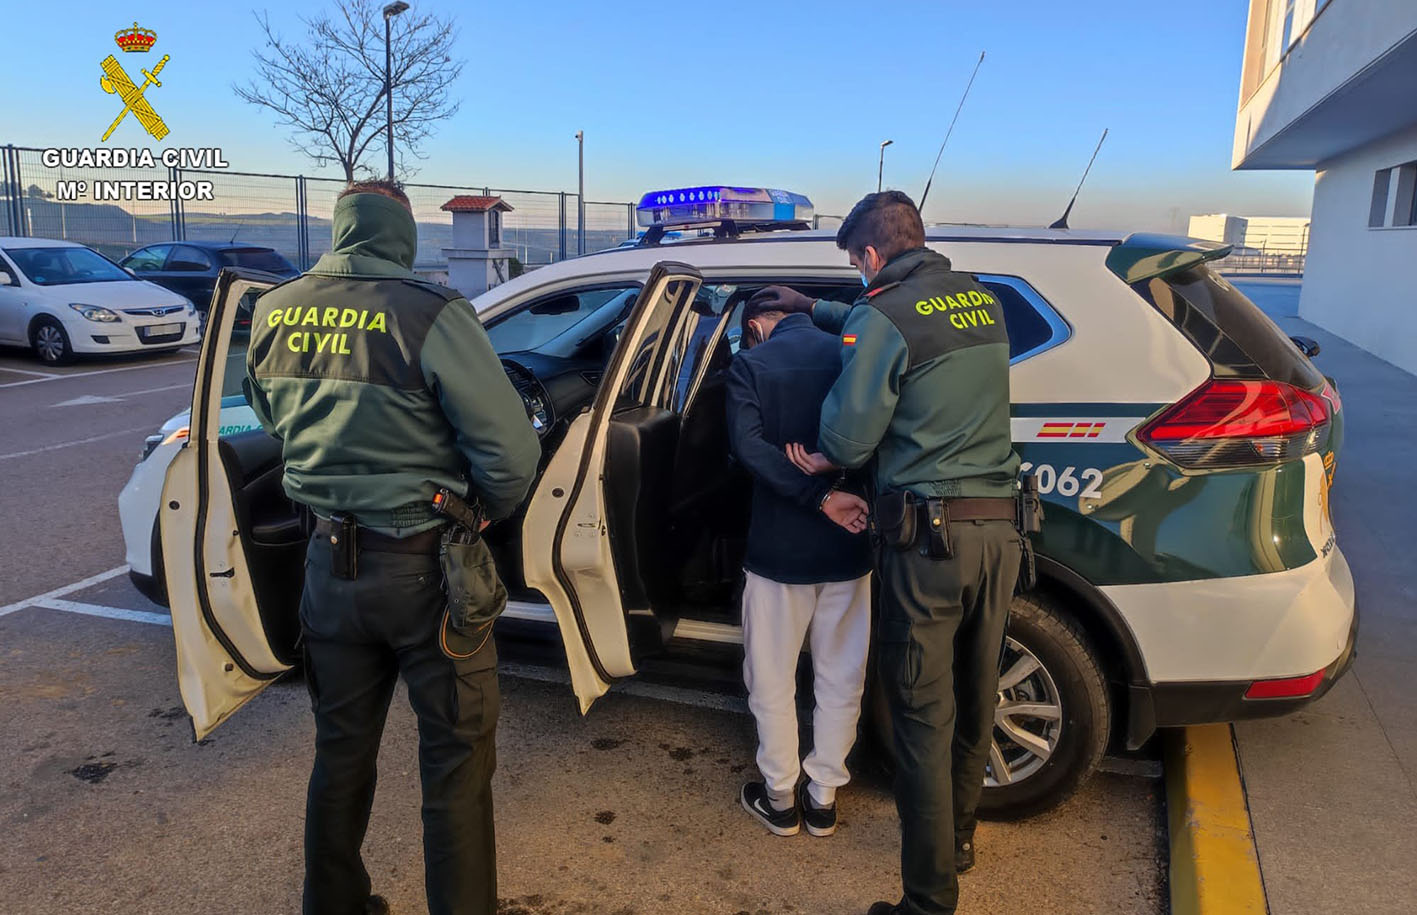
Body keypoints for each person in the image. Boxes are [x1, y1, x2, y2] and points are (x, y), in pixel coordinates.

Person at [244, 179, 541, 915]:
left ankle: (333, 902)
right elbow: (509, 454)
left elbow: (269, 416)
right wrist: (483, 516)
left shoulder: (273, 311)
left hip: (326, 569)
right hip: (426, 573)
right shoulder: (430, 313)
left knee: (339, 750)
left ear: (343, 227)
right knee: (455, 762)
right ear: (403, 233)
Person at [749, 190, 1023, 915]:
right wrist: (821, 309)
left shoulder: (882, 316)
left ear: (869, 256)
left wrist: (818, 465)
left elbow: (845, 438)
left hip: (928, 544)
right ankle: (958, 838)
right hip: (999, 535)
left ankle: (927, 900)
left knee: (921, 716)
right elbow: (896, 327)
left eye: (854, 265)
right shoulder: (980, 301)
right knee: (974, 694)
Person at [725, 295, 874, 839]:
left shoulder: (752, 364)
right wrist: (837, 489)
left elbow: (747, 449)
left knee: (771, 674)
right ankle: (824, 798)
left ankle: (780, 796)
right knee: (841, 674)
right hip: (849, 542)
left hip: (778, 550)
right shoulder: (851, 355)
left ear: (757, 325)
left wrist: (812, 494)